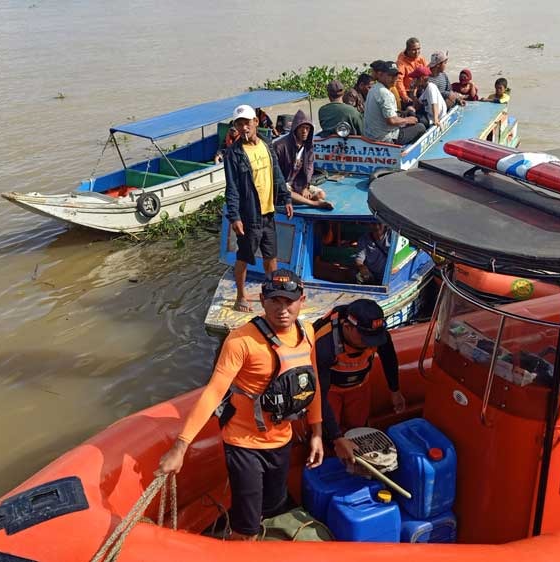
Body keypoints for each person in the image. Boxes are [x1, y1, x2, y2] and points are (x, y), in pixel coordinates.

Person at [159, 270, 325, 540]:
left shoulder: (307, 332)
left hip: (281, 439)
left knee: (273, 505)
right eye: (275, 301)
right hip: (244, 443)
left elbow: (311, 382)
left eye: (289, 301)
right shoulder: (241, 341)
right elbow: (213, 392)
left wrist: (317, 433)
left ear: (302, 300)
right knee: (245, 524)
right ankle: (238, 540)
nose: (282, 309)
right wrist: (180, 446)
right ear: (262, 300)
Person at [313, 299, 405, 462]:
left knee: (359, 429)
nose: (372, 344)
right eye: (366, 339)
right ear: (347, 327)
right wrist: (336, 437)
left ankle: (359, 464)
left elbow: (389, 358)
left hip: (360, 387)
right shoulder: (325, 345)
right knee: (329, 434)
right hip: (330, 391)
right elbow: (320, 395)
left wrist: (395, 390)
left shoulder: (378, 336)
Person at [223, 104, 293, 312]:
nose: (244, 128)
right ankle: (240, 297)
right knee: (244, 257)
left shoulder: (266, 144)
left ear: (256, 122)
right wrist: (235, 217)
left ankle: (270, 293)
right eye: (240, 124)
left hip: (268, 213)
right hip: (249, 215)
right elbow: (232, 188)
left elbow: (277, 173)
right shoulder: (234, 154)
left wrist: (286, 197)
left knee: (271, 257)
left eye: (247, 123)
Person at [274, 110, 332, 209]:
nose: (304, 131)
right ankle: (313, 204)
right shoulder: (279, 146)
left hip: (297, 183)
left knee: (320, 195)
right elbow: (276, 176)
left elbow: (309, 169)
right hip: (283, 184)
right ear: (295, 128)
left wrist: (304, 187)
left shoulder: (308, 146)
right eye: (302, 128)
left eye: (307, 128)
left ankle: (301, 199)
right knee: (286, 192)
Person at [364, 61, 425, 145]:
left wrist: (403, 115)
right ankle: (404, 151)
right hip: (385, 138)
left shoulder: (373, 88)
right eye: (390, 75)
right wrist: (407, 120)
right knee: (420, 127)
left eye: (396, 75)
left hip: (370, 135)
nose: (394, 79)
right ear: (381, 75)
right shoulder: (385, 93)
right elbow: (391, 121)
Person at [396, 37, 427, 110]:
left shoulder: (421, 59)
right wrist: (404, 96)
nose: (417, 52)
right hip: (408, 91)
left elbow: (427, 72)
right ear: (407, 50)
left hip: (420, 88)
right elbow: (398, 80)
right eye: (414, 50)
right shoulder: (401, 63)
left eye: (418, 49)